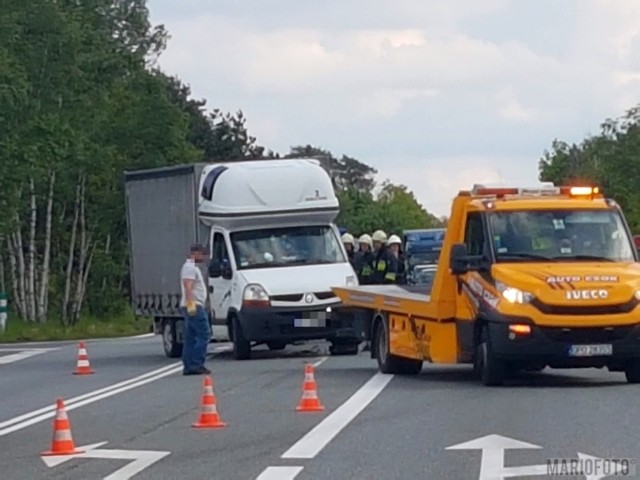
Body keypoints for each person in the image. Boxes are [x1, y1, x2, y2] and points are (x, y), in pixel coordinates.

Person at [180, 243, 211, 375]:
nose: (203, 257)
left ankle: (188, 365)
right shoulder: (190, 268)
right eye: (202, 254)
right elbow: (188, 286)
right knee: (204, 334)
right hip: (194, 305)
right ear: (195, 254)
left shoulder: (189, 267)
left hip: (191, 305)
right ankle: (196, 363)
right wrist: (191, 304)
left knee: (191, 337)